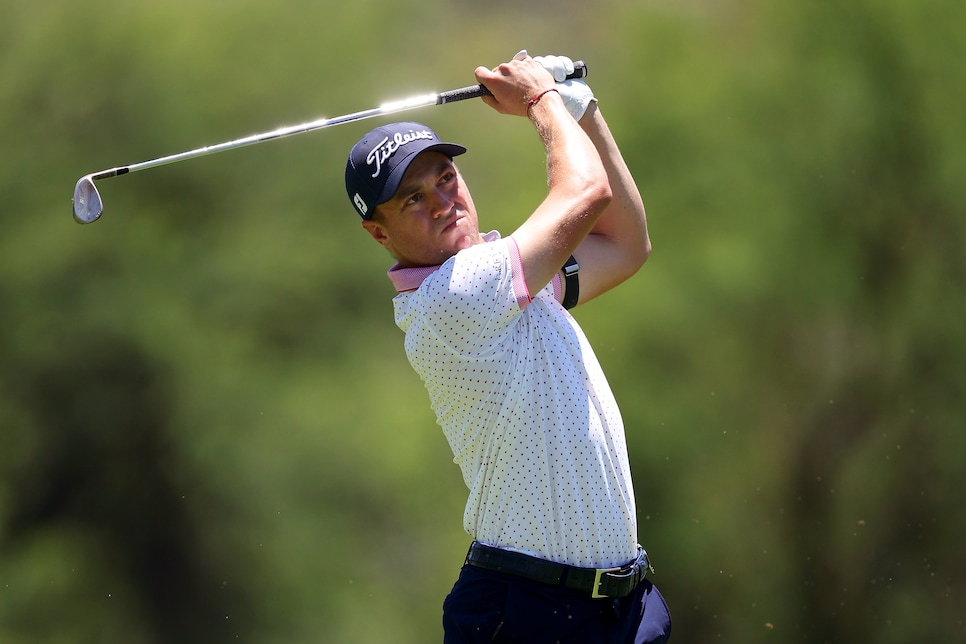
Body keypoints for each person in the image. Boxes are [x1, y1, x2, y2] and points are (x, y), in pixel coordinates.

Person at [344, 51, 671, 643]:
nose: (443, 201)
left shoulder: (513, 283)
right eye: (413, 199)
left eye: (445, 178)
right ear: (379, 232)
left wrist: (582, 107)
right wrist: (542, 101)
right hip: (530, 611)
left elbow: (626, 245)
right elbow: (586, 191)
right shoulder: (454, 298)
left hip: (620, 609)